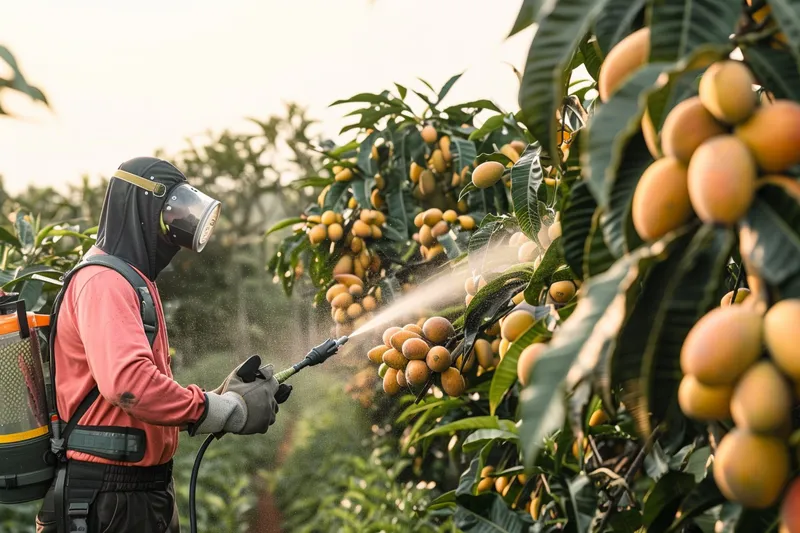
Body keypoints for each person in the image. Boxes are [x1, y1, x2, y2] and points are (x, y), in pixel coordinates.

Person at [35, 156, 291, 532]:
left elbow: (135, 395)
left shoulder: (132, 280)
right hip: (108, 496)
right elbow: (130, 386)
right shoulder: (104, 283)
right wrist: (221, 410)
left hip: (138, 492)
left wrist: (218, 396)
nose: (178, 228)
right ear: (139, 209)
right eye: (172, 212)